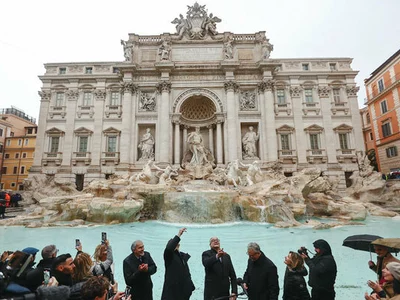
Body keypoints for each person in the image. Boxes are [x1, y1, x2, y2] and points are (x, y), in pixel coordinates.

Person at [161, 228, 195, 300]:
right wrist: (179, 234)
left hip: (183, 291)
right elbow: (169, 248)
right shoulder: (168, 256)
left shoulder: (182, 256)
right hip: (172, 292)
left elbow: (187, 273)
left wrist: (190, 286)